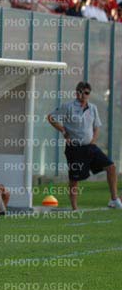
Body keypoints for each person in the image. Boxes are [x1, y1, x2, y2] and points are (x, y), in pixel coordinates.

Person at [47, 82, 121, 210]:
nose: (83, 95)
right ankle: (75, 208)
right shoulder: (68, 106)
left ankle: (114, 199)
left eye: (86, 93)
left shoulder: (93, 108)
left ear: (89, 94)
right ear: (76, 93)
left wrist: (93, 141)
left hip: (90, 147)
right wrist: (63, 131)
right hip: (74, 148)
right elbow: (51, 117)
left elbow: (96, 127)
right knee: (74, 179)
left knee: (111, 167)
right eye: (81, 92)